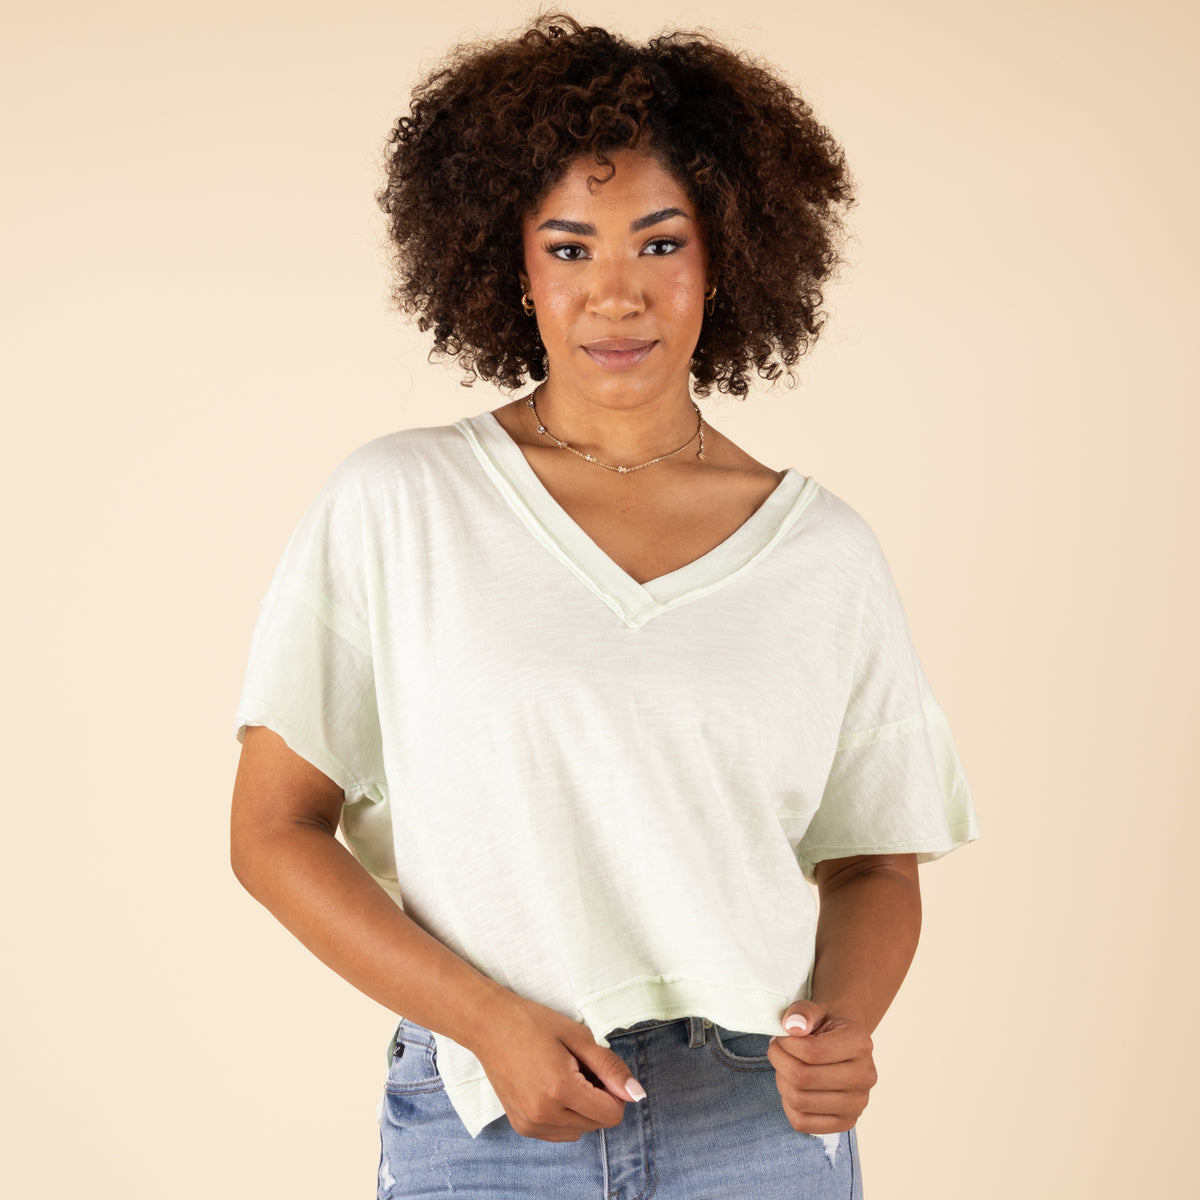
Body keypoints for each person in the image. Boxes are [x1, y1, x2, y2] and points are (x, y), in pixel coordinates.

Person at [230, 14, 977, 1199]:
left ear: (723, 253)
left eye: (659, 243)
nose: (616, 294)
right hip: (492, 1114)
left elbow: (875, 861)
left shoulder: (822, 552)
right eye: (570, 249)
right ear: (509, 266)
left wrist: (847, 1019)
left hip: (757, 1121)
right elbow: (271, 832)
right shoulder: (399, 503)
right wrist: (482, 1019)